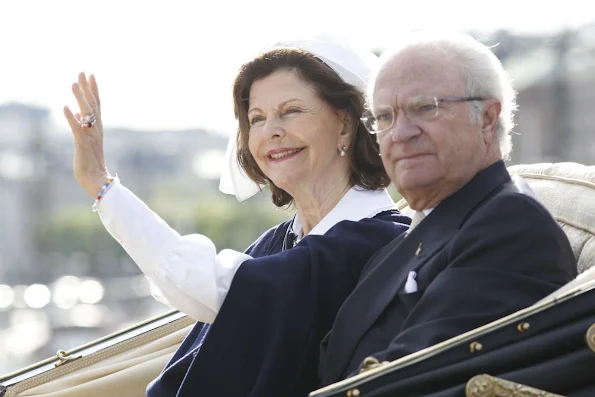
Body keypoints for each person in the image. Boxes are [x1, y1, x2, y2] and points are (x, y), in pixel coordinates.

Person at [63, 35, 411, 397]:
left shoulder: (377, 241)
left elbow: (210, 289)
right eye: (256, 118)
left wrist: (102, 186)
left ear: (345, 124)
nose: (270, 131)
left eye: (291, 110)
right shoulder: (277, 242)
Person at [318, 31, 578, 386]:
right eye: (384, 117)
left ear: (487, 118)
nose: (400, 133)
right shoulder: (403, 242)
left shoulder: (510, 225)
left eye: (425, 108)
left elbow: (408, 381)